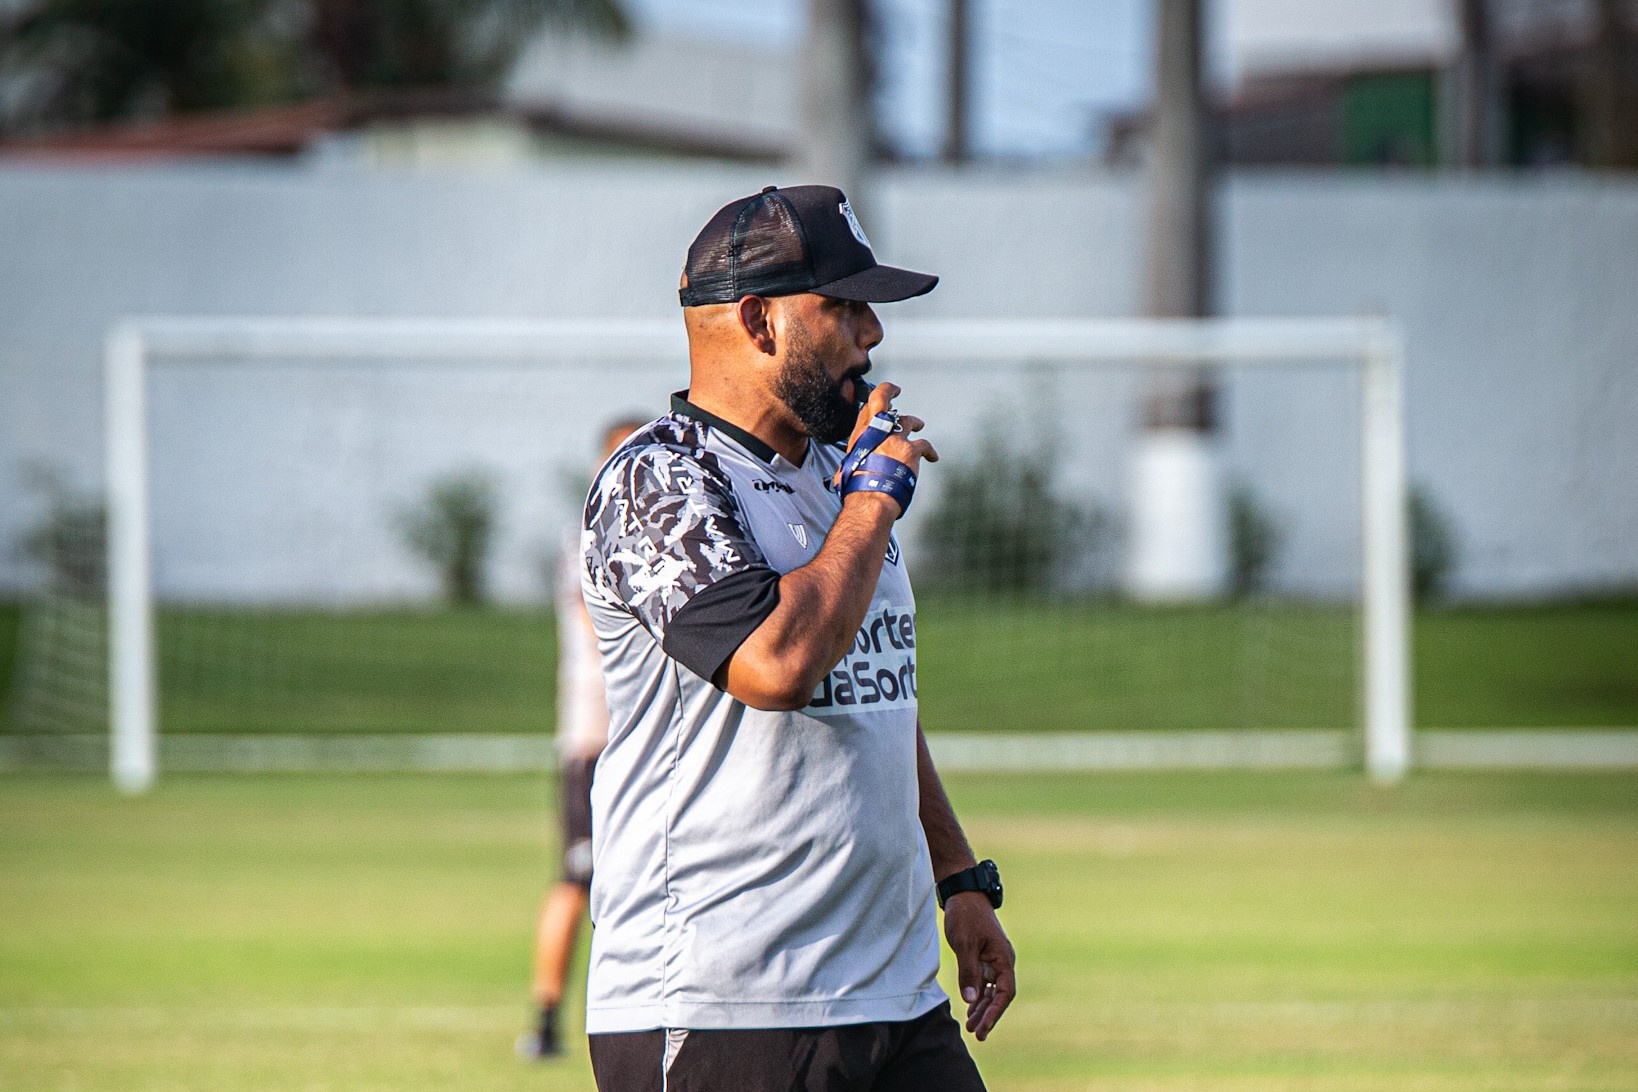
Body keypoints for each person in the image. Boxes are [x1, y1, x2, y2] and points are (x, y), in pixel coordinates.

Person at [579, 184, 1015, 1091]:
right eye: (846, 306)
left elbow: (879, 695)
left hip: (895, 998)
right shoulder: (658, 481)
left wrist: (958, 876)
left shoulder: (839, 473)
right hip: (723, 1009)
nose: (873, 333)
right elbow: (777, 665)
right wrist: (871, 504)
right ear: (759, 320)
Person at [520, 418, 648, 1061]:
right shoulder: (591, 538)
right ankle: (545, 1018)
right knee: (578, 881)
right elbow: (608, 628)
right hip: (597, 742)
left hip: (646, 740)